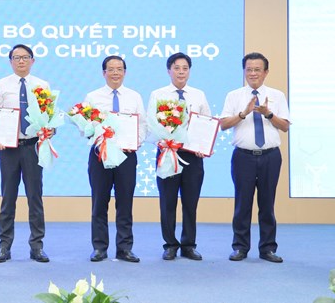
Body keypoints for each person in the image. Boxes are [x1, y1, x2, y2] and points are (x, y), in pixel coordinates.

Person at [220, 52, 290, 263]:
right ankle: (240, 247)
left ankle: (268, 248)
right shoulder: (234, 95)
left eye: (257, 69)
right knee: (242, 204)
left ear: (266, 72)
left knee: (267, 204)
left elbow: (285, 126)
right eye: (249, 69)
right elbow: (223, 125)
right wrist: (243, 113)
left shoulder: (277, 95)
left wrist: (268, 113)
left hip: (270, 156)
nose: (253, 73)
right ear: (244, 71)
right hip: (243, 157)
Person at [147, 52, 211, 261]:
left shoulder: (198, 95)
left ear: (189, 71)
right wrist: (163, 142)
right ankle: (170, 244)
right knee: (167, 201)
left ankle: (189, 245)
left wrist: (204, 146)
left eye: (185, 68)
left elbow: (207, 122)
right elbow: (150, 124)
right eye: (176, 68)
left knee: (190, 202)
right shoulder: (158, 94)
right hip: (168, 153)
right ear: (169, 71)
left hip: (193, 155)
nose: (181, 72)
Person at [84, 55, 147, 263]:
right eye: (111, 69)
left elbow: (143, 125)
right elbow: (84, 127)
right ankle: (99, 248)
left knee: (125, 202)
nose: (115, 73)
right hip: (100, 155)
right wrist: (94, 133)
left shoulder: (134, 96)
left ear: (125, 72)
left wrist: (136, 141)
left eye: (119, 69)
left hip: (126, 156)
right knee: (99, 202)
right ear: (104, 73)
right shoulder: (92, 97)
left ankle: (125, 248)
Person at [0, 44, 50, 263]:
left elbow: (48, 115)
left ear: (33, 60)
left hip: (33, 146)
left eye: (25, 57)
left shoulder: (42, 85)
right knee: (8, 198)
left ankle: (37, 246)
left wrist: (50, 129)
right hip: (9, 148)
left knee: (35, 198)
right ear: (11, 62)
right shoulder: (1, 85)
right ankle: (4, 246)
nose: (21, 61)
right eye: (16, 58)